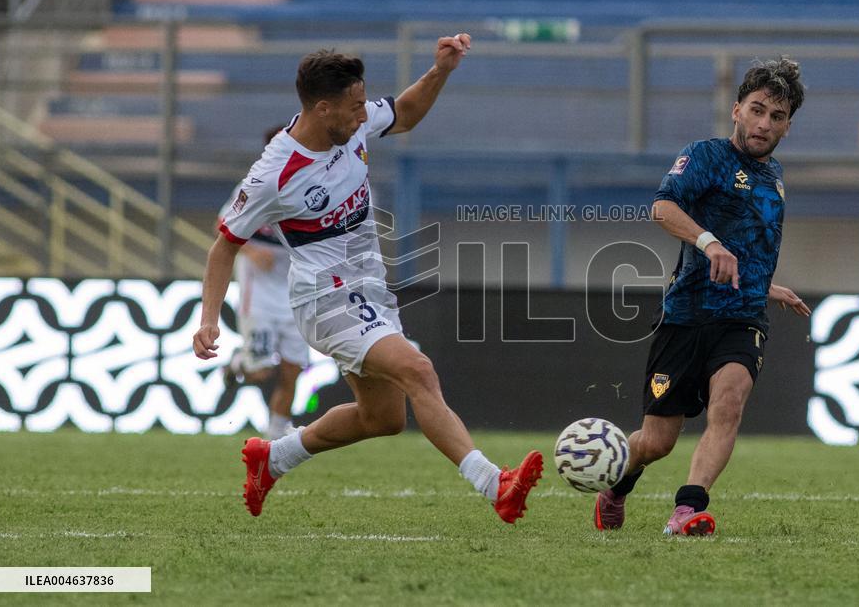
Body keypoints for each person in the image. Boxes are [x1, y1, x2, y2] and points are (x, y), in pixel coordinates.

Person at [193, 34, 544, 523]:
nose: (364, 115)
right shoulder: (274, 174)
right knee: (418, 370)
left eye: (364, 103)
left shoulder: (350, 126)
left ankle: (272, 457)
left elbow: (404, 112)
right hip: (324, 298)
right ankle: (494, 484)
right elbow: (224, 244)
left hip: (370, 289)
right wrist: (209, 320)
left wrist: (441, 68)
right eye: (355, 106)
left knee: (383, 419)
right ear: (321, 108)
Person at [594, 58, 811, 535]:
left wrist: (764, 287)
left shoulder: (774, 176)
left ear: (788, 126)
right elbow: (662, 207)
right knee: (656, 441)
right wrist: (709, 241)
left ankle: (687, 510)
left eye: (776, 117)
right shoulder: (706, 156)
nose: (764, 123)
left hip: (743, 317)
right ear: (736, 110)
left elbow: (746, 249)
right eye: (757, 110)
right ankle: (617, 487)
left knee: (729, 402)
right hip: (687, 316)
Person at [218, 124, 306, 441]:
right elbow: (223, 224)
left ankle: (275, 434)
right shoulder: (254, 186)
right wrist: (252, 250)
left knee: (293, 368)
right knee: (260, 371)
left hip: (297, 292)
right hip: (260, 296)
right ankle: (240, 362)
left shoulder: (312, 186)